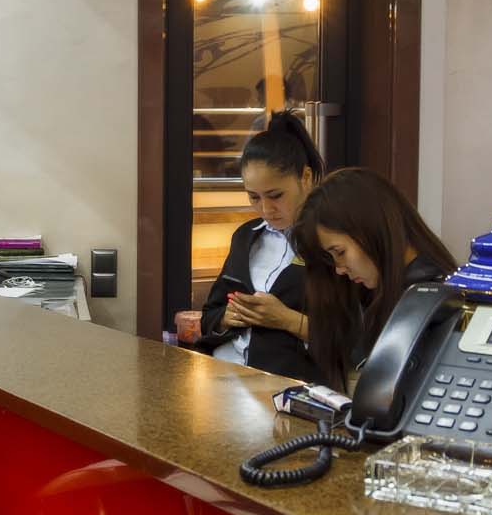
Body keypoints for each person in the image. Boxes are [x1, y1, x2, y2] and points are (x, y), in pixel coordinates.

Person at [293, 167, 459, 389]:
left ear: (370, 228)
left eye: (340, 252)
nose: (339, 270)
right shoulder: (375, 293)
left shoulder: (431, 302)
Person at [192, 113, 325, 381]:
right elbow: (209, 315)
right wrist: (227, 317)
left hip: (283, 382)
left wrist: (286, 319)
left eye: (276, 196)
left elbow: (352, 340)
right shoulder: (245, 237)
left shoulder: (329, 244)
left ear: (306, 177)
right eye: (254, 197)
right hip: (221, 372)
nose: (265, 209)